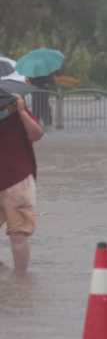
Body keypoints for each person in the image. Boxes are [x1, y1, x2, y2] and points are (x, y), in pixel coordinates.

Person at [0, 91, 44, 275]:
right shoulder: (14, 101)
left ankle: (19, 281)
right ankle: (20, 285)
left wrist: (21, 112)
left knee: (18, 235)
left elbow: (36, 134)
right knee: (19, 235)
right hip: (19, 179)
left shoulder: (14, 104)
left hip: (17, 180)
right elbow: (37, 134)